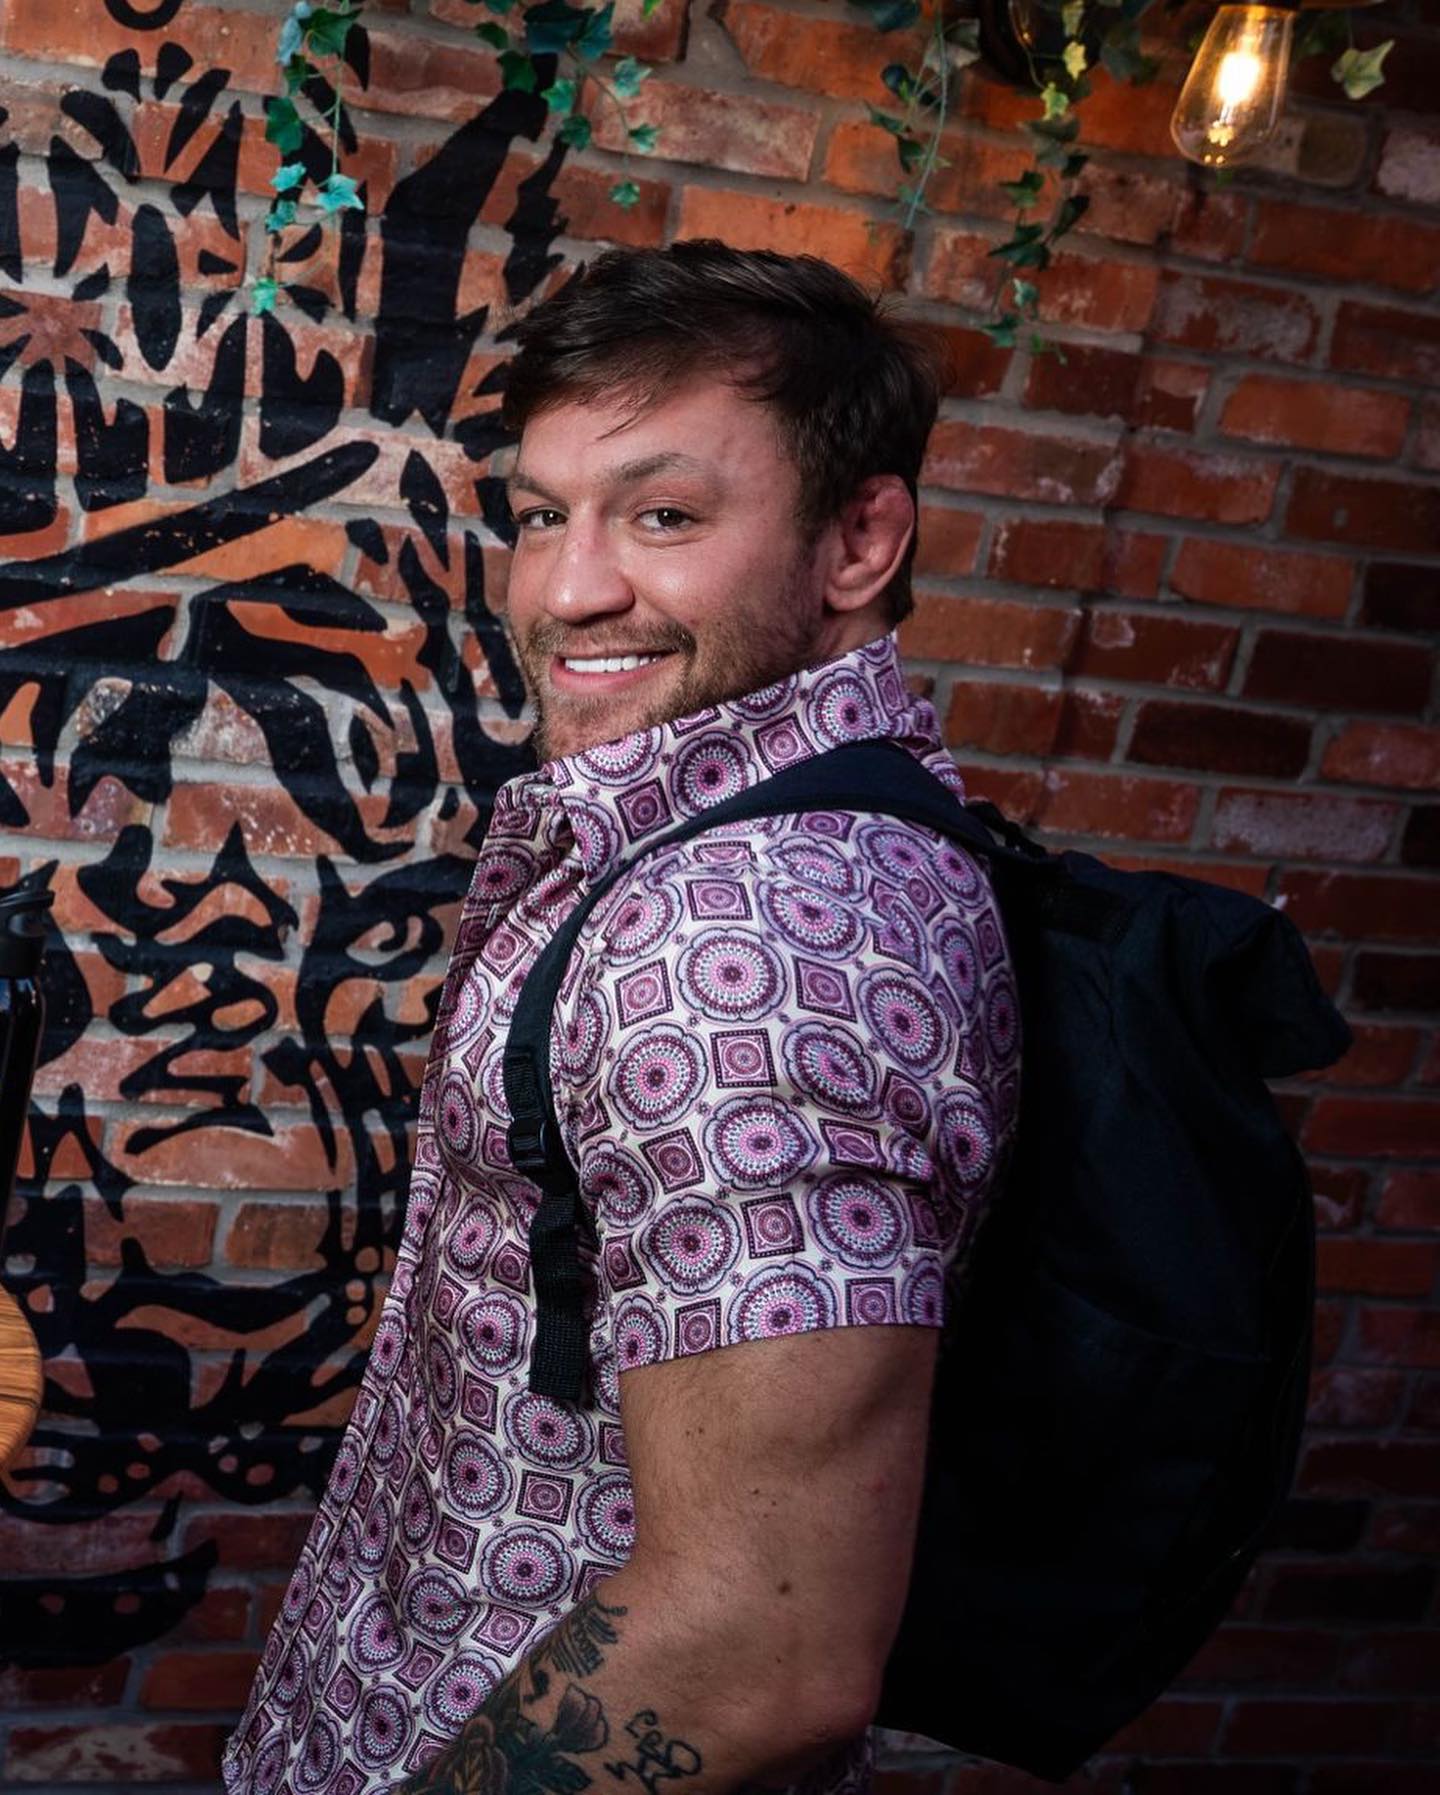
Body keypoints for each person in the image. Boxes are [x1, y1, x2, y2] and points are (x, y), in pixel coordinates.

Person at [221, 240, 1020, 1795]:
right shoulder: (722, 835)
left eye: (664, 516)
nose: (567, 589)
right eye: (541, 516)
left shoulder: (751, 943)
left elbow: (764, 1647)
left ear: (860, 540)